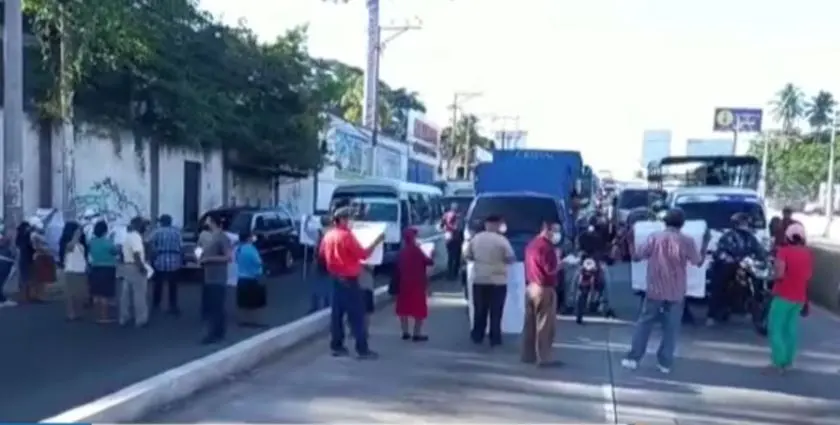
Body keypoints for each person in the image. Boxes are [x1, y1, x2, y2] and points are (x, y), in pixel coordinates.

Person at [621, 208, 710, 374]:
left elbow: (636, 257)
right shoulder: (687, 241)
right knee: (672, 327)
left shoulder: (654, 238)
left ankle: (633, 358)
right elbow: (698, 262)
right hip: (676, 291)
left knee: (645, 323)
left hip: (655, 288)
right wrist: (705, 244)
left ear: (665, 222)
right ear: (682, 224)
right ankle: (665, 363)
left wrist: (630, 240)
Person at [319, 206, 384, 359]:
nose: (351, 222)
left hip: (335, 279)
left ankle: (337, 346)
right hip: (349, 280)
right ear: (341, 219)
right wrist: (376, 242)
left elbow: (321, 254)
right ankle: (362, 349)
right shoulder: (346, 236)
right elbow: (362, 254)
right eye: (349, 219)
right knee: (358, 315)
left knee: (337, 315)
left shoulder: (328, 235)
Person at [463, 215, 516, 347]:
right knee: (496, 311)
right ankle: (495, 337)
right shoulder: (502, 240)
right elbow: (510, 258)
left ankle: (477, 335)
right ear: (497, 225)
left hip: (480, 279)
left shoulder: (476, 239)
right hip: (498, 281)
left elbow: (467, 255)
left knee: (480, 309)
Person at [766, 223, 812, 373]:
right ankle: (788, 361)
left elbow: (779, 274)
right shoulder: (807, 254)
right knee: (790, 329)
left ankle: (778, 362)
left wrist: (771, 277)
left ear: (788, 237)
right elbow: (807, 278)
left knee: (776, 328)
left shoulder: (783, 252)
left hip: (783, 294)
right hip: (799, 297)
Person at [707, 212, 767, 325]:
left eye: (745, 222)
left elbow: (759, 250)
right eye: (741, 222)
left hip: (746, 265)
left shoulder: (751, 238)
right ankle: (711, 315)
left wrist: (763, 258)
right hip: (729, 264)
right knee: (719, 284)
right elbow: (720, 251)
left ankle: (755, 307)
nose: (744, 225)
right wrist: (727, 258)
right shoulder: (728, 236)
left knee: (758, 280)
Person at [522, 220, 562, 366]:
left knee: (530, 324)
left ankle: (528, 355)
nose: (557, 235)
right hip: (544, 288)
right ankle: (544, 358)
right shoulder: (546, 248)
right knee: (545, 325)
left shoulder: (531, 245)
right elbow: (550, 270)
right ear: (546, 229)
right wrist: (562, 263)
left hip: (531, 287)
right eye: (555, 231)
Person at [395, 227, 433, 341]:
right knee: (418, 309)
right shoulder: (416, 250)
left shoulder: (401, 252)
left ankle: (405, 331)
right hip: (417, 283)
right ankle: (416, 333)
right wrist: (430, 253)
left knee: (403, 308)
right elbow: (429, 262)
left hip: (403, 284)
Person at [199, 213, 233, 344]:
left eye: (208, 221)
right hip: (209, 275)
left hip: (217, 276)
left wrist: (209, 259)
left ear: (213, 222)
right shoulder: (212, 237)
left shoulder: (222, 237)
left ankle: (213, 333)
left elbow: (228, 257)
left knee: (215, 307)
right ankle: (219, 332)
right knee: (213, 306)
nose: (207, 223)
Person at [120, 217, 150, 327]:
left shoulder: (127, 236)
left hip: (127, 266)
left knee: (126, 294)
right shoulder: (136, 237)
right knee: (139, 293)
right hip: (135, 266)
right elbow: (137, 254)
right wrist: (142, 268)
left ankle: (124, 316)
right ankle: (141, 319)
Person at [149, 214, 182, 315]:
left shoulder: (156, 232)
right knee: (173, 285)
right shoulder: (177, 232)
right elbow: (181, 246)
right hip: (174, 261)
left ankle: (156, 304)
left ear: (162, 222)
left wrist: (152, 257)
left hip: (160, 260)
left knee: (158, 284)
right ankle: (173, 306)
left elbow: (150, 243)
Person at [88, 221, 118, 323]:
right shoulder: (107, 242)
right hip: (108, 268)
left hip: (95, 267)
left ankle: (97, 315)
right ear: (105, 230)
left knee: (97, 293)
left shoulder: (92, 242)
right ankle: (104, 317)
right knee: (105, 293)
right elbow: (114, 251)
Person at [59, 221, 89, 320]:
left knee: (80, 293)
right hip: (71, 270)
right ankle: (71, 313)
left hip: (81, 269)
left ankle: (78, 312)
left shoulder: (81, 244)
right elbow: (70, 247)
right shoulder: (68, 243)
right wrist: (76, 234)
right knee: (71, 293)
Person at [235, 230, 266, 327]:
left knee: (243, 302)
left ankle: (244, 321)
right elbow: (258, 262)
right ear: (248, 238)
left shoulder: (239, 249)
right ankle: (255, 322)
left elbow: (236, 260)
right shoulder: (252, 249)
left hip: (241, 277)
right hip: (253, 277)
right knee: (255, 302)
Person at [30, 217, 56, 302]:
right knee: (40, 278)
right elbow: (37, 247)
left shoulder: (36, 234)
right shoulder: (34, 235)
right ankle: (38, 295)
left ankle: (37, 295)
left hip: (41, 256)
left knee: (40, 278)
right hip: (40, 256)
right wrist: (46, 250)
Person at [309, 216, 332, 312]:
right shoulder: (333, 233)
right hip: (330, 262)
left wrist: (306, 221)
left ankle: (315, 306)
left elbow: (307, 233)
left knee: (316, 285)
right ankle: (328, 305)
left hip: (318, 261)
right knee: (329, 285)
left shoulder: (318, 233)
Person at [440, 203, 462, 280]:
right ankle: (454, 274)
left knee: (450, 256)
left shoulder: (445, 215)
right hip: (456, 238)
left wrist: (445, 229)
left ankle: (450, 274)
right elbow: (458, 228)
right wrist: (454, 228)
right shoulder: (458, 216)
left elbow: (441, 226)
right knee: (456, 256)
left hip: (448, 237)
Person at [15, 222, 34, 303]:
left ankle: (24, 296)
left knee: (24, 277)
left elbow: (17, 244)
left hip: (23, 257)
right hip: (27, 257)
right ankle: (26, 296)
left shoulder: (20, 236)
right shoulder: (27, 235)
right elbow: (30, 245)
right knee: (27, 277)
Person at [0, 229, 17, 308]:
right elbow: (2, 244)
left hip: (6, 261)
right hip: (3, 260)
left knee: (2, 281)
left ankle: (2, 299)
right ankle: (2, 300)